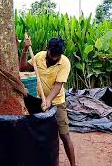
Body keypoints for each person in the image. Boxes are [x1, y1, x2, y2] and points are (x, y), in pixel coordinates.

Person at [20, 36, 76, 166]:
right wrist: (25, 49)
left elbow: (58, 84)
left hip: (57, 103)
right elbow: (23, 67)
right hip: (40, 102)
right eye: (52, 54)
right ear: (47, 49)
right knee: (42, 135)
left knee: (65, 136)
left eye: (57, 55)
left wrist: (49, 100)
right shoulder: (38, 56)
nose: (54, 58)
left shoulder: (65, 62)